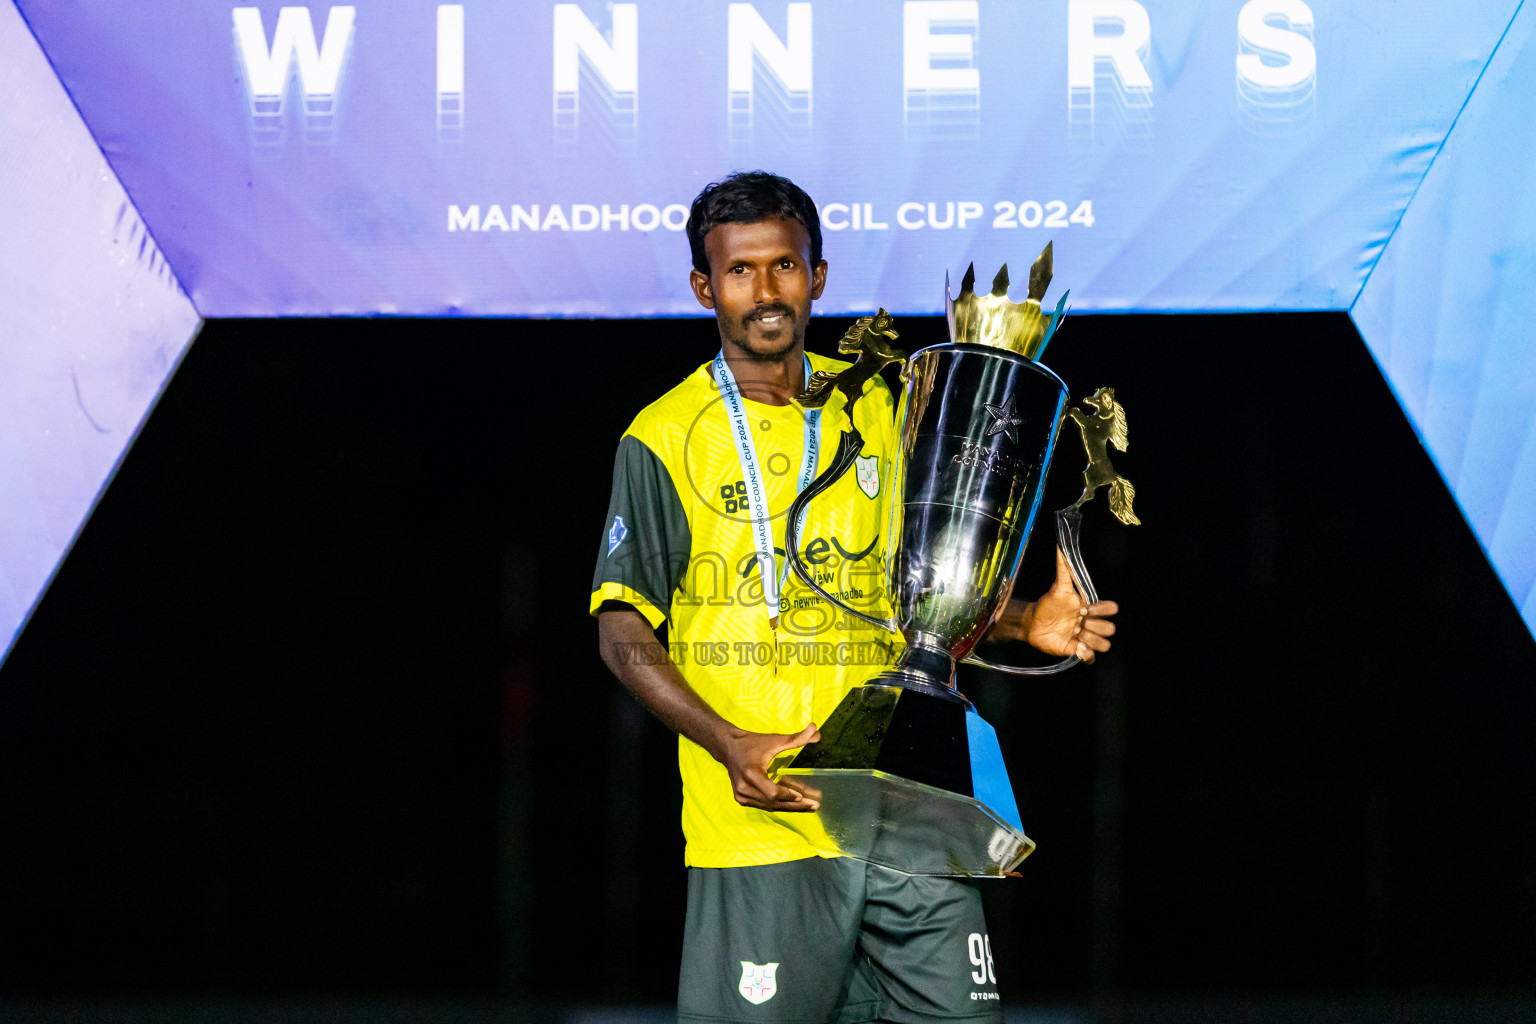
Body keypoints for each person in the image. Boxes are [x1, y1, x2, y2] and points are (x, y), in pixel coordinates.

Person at [590, 171, 1117, 1024]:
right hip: (763, 827)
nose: (766, 292)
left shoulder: (881, 402)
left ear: (819, 276)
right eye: (740, 271)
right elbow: (621, 626)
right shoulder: (663, 437)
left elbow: (918, 595)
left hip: (909, 810)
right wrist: (729, 742)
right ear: (704, 286)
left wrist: (1021, 620)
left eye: (786, 267)